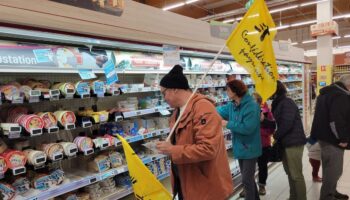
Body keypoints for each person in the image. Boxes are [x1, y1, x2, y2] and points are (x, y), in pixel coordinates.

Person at [155, 65, 233, 200]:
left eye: (164, 93)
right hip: (187, 182)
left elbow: (208, 149)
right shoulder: (177, 112)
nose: (164, 98)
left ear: (174, 89)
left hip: (205, 187)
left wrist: (173, 150)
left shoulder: (203, 108)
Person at [216, 80, 261, 200]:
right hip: (240, 147)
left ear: (235, 91)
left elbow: (248, 128)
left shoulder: (252, 106)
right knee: (248, 179)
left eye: (228, 90)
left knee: (246, 180)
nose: (226, 92)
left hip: (250, 148)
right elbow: (218, 111)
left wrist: (228, 123)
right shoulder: (232, 105)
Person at [310, 74, 350, 200]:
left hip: (324, 137)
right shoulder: (340, 96)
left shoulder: (328, 92)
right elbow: (336, 121)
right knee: (334, 171)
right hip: (333, 140)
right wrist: (342, 139)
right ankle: (327, 196)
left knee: (329, 169)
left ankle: (332, 192)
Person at [271, 80, 306, 200]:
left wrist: (275, 135)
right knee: (290, 173)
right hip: (286, 142)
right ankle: (293, 197)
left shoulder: (286, 102)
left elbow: (287, 123)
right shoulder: (279, 102)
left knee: (296, 174)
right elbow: (279, 122)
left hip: (293, 142)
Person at [252, 92, 276, 196]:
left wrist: (262, 123)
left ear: (259, 102)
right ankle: (248, 186)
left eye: (253, 101)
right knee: (249, 168)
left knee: (262, 166)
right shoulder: (246, 112)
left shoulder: (267, 112)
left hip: (263, 144)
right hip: (250, 145)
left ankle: (261, 185)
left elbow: (272, 128)